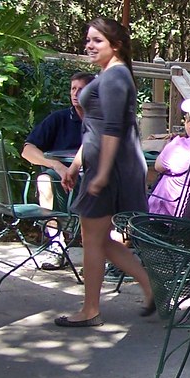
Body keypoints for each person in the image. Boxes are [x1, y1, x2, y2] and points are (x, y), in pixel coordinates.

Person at [57, 17, 155, 328]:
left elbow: (114, 129)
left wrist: (100, 174)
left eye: (97, 40)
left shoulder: (115, 77)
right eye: (88, 39)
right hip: (100, 165)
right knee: (96, 240)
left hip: (110, 170)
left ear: (116, 45)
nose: (89, 45)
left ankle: (90, 310)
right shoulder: (109, 74)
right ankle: (152, 286)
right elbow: (94, 130)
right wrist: (76, 164)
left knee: (93, 240)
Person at [21, 72, 96, 210]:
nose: (75, 94)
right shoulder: (58, 119)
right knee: (44, 180)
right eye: (73, 89)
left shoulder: (103, 122)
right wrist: (56, 165)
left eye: (81, 89)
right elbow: (27, 150)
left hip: (94, 179)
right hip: (60, 177)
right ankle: (53, 229)